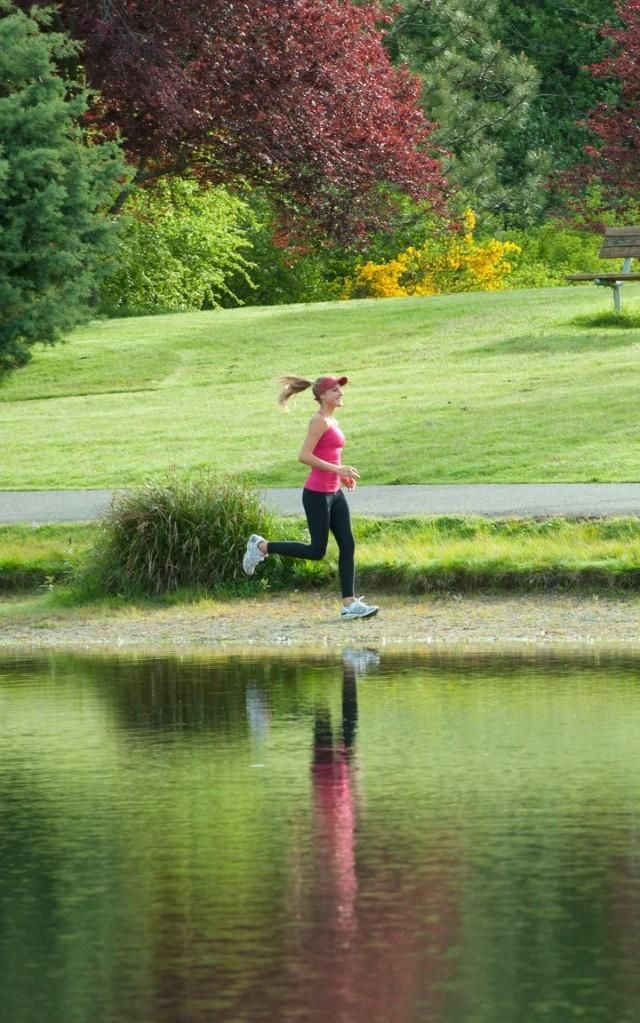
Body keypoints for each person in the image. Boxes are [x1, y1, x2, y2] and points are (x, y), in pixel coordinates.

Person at [242, 374, 379, 619]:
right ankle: (261, 546)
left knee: (347, 544)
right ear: (322, 395)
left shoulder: (332, 421)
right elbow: (304, 456)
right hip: (317, 494)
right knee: (317, 551)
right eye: (335, 390)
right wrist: (338, 470)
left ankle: (349, 604)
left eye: (340, 390)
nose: (340, 393)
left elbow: (329, 454)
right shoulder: (319, 421)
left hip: (334, 493)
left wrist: (341, 476)